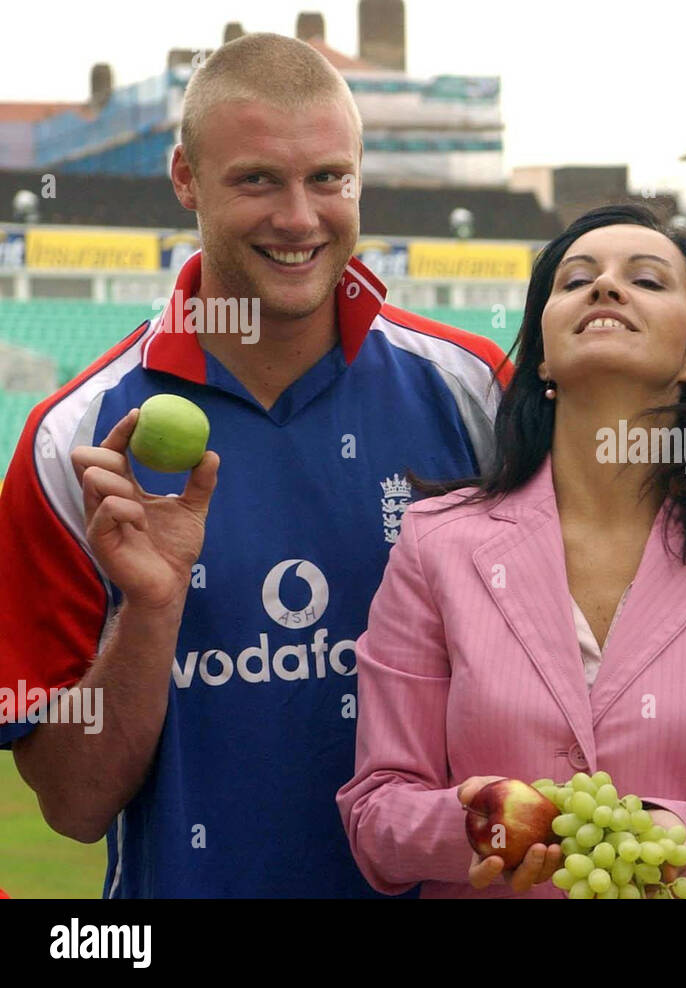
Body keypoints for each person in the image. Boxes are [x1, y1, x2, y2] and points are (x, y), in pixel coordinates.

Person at [0, 33, 507, 897]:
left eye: (328, 179)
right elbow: (75, 804)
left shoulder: (477, 395)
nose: (300, 217)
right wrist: (152, 609)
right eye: (257, 179)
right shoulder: (68, 442)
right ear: (185, 179)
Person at [336, 203, 686, 898]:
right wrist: (483, 824)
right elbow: (376, 811)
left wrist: (647, 840)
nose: (604, 289)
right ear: (542, 353)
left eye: (648, 280)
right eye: (576, 279)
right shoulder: (436, 544)